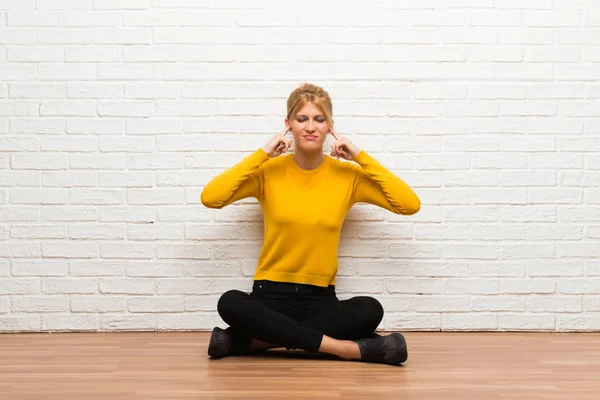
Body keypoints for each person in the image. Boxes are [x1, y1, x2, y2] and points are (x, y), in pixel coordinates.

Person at [200, 83, 421, 365]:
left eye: (319, 119)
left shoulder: (347, 176)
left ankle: (254, 341)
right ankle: (348, 349)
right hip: (269, 296)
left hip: (320, 301)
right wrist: (262, 154)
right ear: (288, 125)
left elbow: (408, 204)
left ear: (330, 126)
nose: (310, 127)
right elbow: (211, 198)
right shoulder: (267, 172)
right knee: (229, 302)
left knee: (369, 309)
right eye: (301, 119)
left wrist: (360, 157)